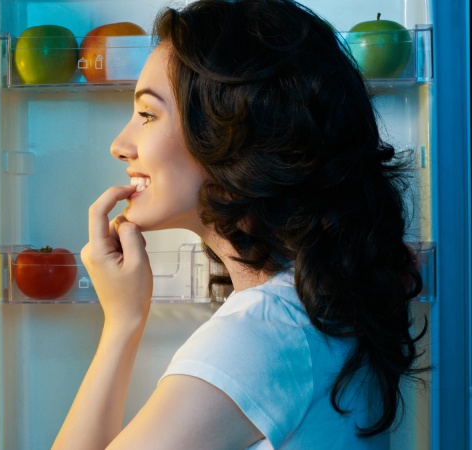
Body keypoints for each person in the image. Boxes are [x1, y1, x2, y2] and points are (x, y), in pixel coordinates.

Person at [52, 0, 428, 448]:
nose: (120, 144)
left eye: (148, 114)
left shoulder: (259, 336)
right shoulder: (313, 306)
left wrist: (121, 325)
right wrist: (124, 317)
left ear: (232, 135)